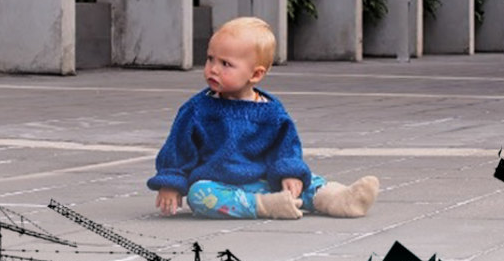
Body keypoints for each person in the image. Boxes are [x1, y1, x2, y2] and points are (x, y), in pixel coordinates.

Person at [147, 17, 379, 220]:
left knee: (307, 181)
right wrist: (171, 183)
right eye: (210, 59)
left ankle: (336, 199)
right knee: (200, 195)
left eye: (225, 64)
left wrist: (289, 173)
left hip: (267, 180)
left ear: (256, 74)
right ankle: (265, 207)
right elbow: (178, 148)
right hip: (221, 185)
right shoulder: (197, 110)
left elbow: (286, 147)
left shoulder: (272, 111)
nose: (213, 69)